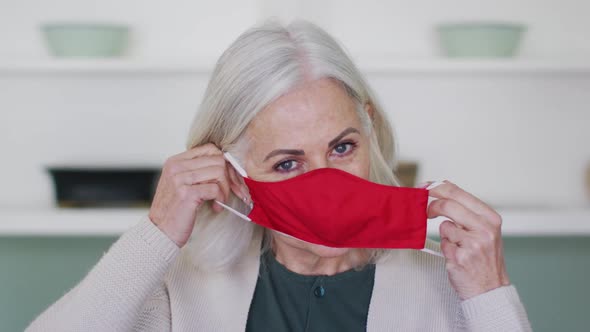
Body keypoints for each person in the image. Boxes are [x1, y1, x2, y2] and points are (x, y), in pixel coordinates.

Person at [26, 20, 532, 331]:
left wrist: (491, 294)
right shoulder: (183, 287)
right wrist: (155, 235)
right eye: (287, 164)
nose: (327, 183)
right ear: (238, 176)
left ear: (370, 133)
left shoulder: (448, 284)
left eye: (342, 147)